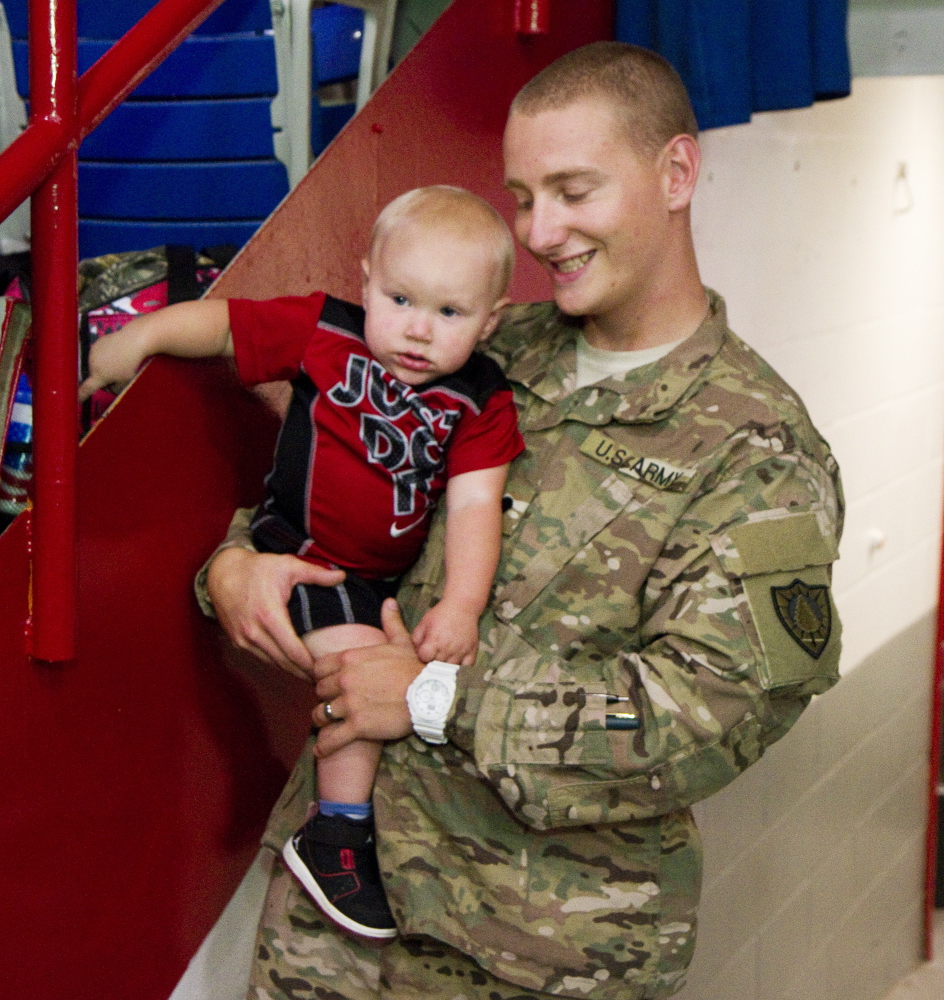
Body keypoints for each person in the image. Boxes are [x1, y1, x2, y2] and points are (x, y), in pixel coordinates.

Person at [201, 41, 844, 1000]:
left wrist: (431, 700)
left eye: (574, 191)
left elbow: (710, 716)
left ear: (676, 172)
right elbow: (318, 493)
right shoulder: (470, 346)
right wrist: (232, 569)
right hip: (333, 918)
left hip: (533, 955)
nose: (541, 232)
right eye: (522, 197)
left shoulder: (756, 446)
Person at [80, 186, 525, 940]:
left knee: (392, 663)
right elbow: (226, 325)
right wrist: (144, 336)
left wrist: (461, 605)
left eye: (449, 314)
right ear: (366, 282)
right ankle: (337, 834)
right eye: (400, 299)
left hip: (380, 583)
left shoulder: (480, 400)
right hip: (300, 554)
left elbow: (479, 506)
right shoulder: (329, 332)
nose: (417, 329)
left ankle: (354, 826)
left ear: (492, 321)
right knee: (358, 672)